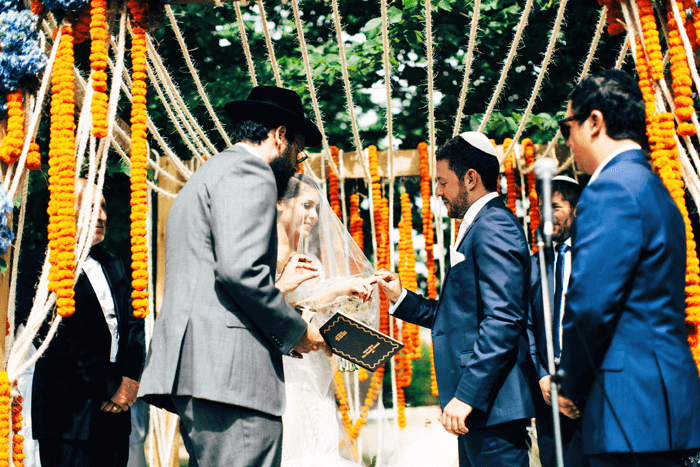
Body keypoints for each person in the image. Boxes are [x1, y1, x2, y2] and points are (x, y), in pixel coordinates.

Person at [137, 86, 329, 467]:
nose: (297, 165)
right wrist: (296, 332)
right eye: (299, 152)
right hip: (231, 378)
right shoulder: (251, 171)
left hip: (202, 370)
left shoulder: (209, 173)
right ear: (279, 135)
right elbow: (241, 272)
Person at [557, 69, 700, 467]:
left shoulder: (610, 188)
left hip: (628, 407)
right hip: (666, 404)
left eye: (567, 126)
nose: (568, 140)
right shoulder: (653, 187)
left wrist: (569, 382)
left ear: (595, 122)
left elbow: (590, 303)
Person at [374, 132, 534, 467]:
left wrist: (467, 396)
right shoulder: (480, 225)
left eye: (443, 182)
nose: (437, 191)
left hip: (492, 408)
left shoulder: (493, 226)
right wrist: (399, 296)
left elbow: (503, 319)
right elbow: (457, 316)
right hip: (483, 413)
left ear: (471, 179)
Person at [16, 178, 146, 467]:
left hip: (115, 414)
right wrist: (111, 384)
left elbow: (135, 327)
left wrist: (130, 381)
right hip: (67, 418)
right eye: (90, 207)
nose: (102, 216)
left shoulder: (114, 264)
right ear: (64, 210)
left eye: (102, 206)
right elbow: (52, 340)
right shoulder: (37, 266)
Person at [275, 173, 376, 467]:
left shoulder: (312, 262)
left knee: (320, 444)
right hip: (284, 366)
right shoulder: (260, 257)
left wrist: (342, 299)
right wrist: (329, 291)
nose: (314, 216)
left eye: (317, 208)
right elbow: (268, 308)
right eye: (306, 206)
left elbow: (310, 308)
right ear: (280, 203)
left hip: (315, 368)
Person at [527, 175, 587, 467]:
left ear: (576, 210)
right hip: (548, 397)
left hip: (592, 394)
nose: (547, 216)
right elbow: (526, 325)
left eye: (556, 207)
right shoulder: (535, 265)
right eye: (541, 208)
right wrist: (542, 375)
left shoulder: (594, 258)